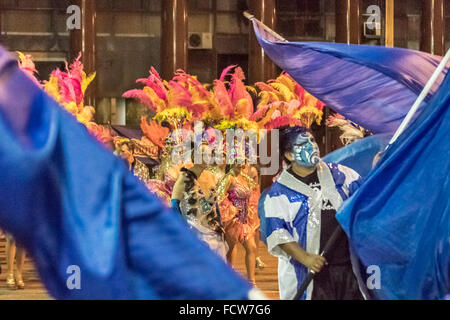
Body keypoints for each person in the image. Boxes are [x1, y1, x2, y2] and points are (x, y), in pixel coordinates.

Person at [262, 126, 365, 300]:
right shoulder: (279, 192)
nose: (313, 146)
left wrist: (379, 166)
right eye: (303, 143)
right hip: (309, 276)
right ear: (289, 156)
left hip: (347, 271)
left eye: (312, 140)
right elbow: (278, 234)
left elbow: (368, 194)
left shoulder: (341, 174)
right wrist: (306, 258)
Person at [171, 143, 228, 260]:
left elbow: (215, 204)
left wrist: (220, 224)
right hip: (194, 229)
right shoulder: (185, 176)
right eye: (203, 154)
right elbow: (174, 203)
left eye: (209, 154)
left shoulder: (212, 177)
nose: (207, 157)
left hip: (211, 228)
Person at [218, 162, 260, 285]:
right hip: (233, 221)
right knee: (229, 251)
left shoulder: (243, 176)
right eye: (239, 162)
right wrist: (232, 209)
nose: (242, 165)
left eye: (243, 162)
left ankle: (251, 281)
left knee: (251, 247)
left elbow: (254, 189)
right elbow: (219, 197)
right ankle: (226, 277)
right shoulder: (229, 178)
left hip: (244, 221)